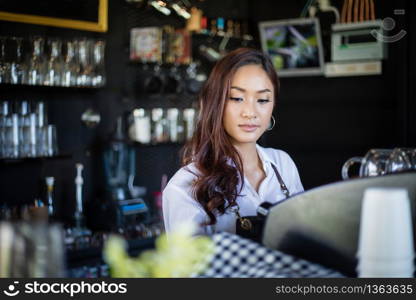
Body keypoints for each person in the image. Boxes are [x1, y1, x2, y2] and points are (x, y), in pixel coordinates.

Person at [162, 48, 304, 236]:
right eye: (237, 98)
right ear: (215, 102)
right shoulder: (186, 186)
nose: (250, 112)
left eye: (262, 99)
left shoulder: (282, 164)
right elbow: (190, 264)